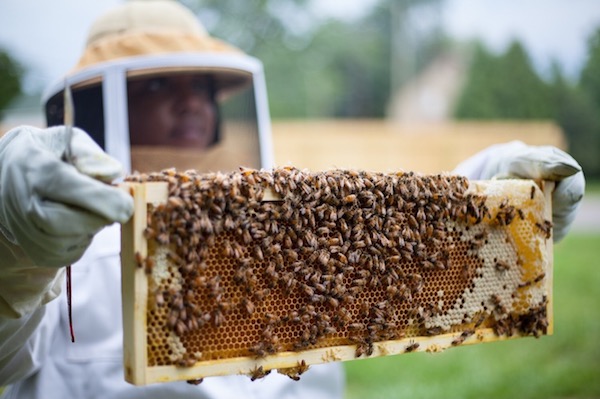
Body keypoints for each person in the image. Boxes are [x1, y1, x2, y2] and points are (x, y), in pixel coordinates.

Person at [0, 1, 585, 398]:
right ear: (100, 104)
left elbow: (395, 260)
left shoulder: (273, 219)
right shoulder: (50, 236)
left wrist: (490, 203)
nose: (193, 104)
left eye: (201, 87)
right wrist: (13, 250)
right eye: (158, 85)